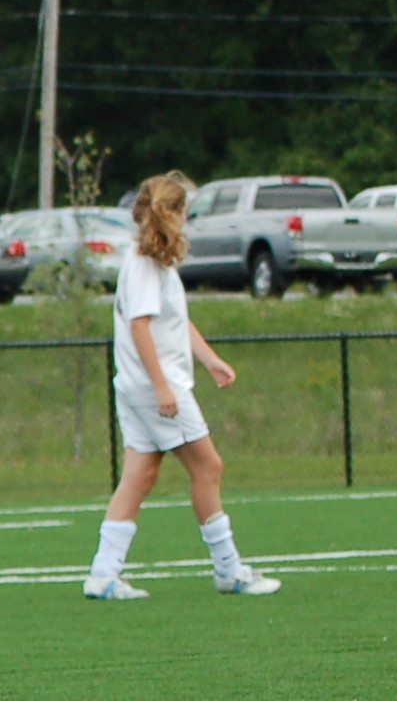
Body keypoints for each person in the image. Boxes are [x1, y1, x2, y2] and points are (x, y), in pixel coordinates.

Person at [85, 173, 281, 599]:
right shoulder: (144, 263)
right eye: (184, 210)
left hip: (139, 386)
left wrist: (210, 360)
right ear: (171, 213)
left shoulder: (155, 260)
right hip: (154, 387)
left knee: (140, 474)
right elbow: (139, 326)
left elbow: (173, 322)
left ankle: (103, 574)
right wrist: (162, 387)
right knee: (208, 467)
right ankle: (229, 570)